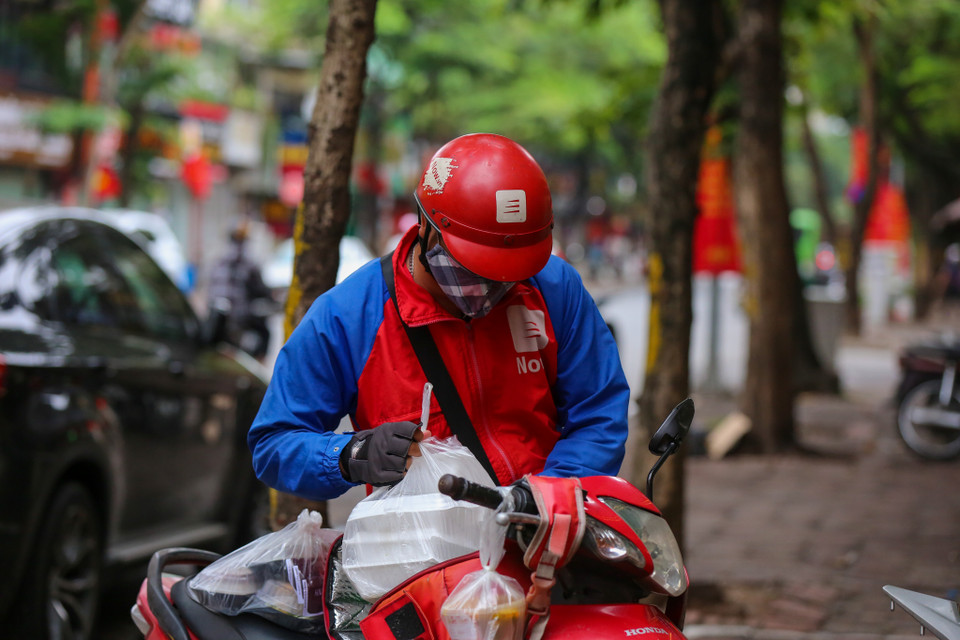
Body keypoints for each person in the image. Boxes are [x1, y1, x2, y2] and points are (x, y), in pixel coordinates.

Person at [248, 133, 629, 501]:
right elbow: (275, 442)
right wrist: (349, 455)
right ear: (427, 227)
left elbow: (598, 413)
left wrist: (546, 497)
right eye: (475, 266)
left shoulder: (554, 289)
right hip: (417, 553)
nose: (490, 285)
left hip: (541, 536)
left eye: (507, 272)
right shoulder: (349, 315)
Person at [207, 223, 273, 361]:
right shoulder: (249, 262)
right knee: (265, 331)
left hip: (217, 316)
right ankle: (260, 361)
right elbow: (260, 289)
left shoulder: (218, 260)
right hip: (240, 315)